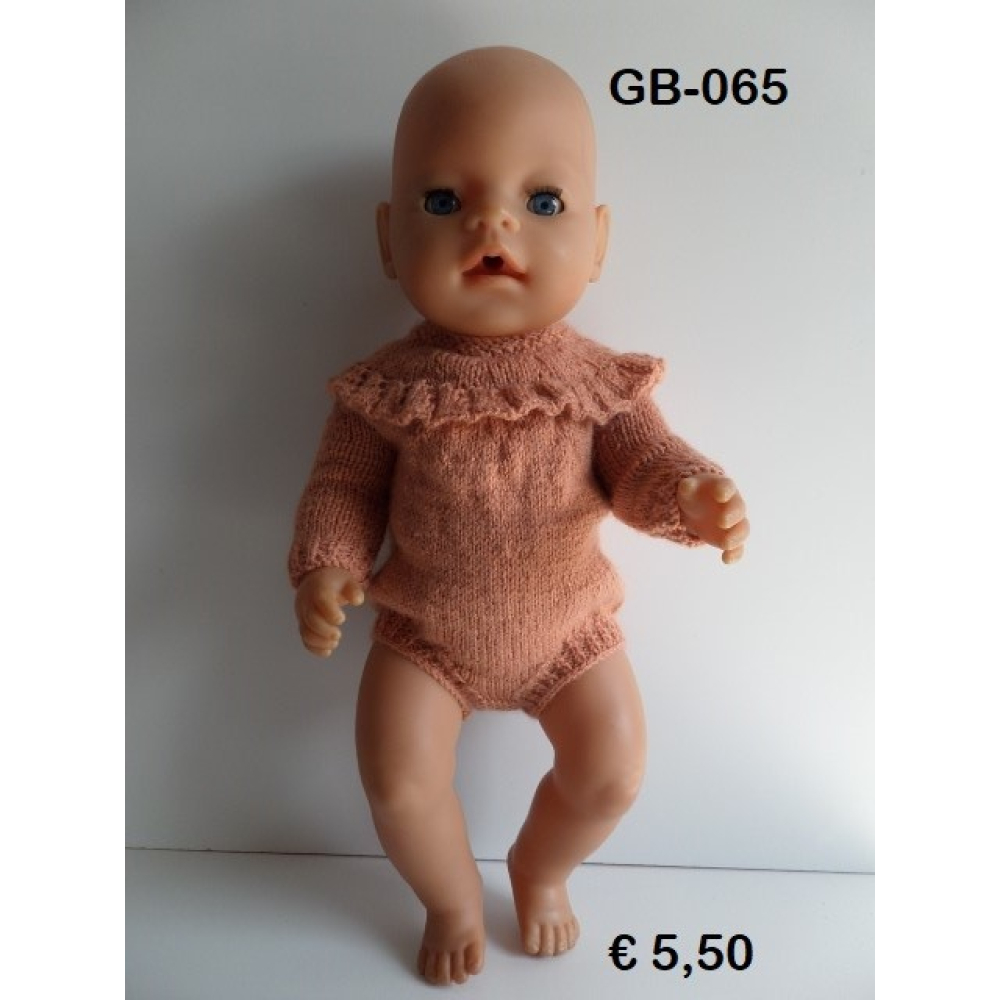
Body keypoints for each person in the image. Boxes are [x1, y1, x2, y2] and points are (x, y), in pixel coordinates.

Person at [289, 46, 748, 986]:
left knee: (612, 771)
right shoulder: (385, 389)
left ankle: (542, 869)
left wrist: (690, 495)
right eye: (443, 201)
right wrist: (328, 564)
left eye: (543, 201)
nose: (493, 223)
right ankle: (451, 900)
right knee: (398, 783)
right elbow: (344, 489)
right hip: (423, 636)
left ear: (597, 241)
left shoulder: (598, 382)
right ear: (389, 239)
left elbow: (642, 464)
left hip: (570, 633)